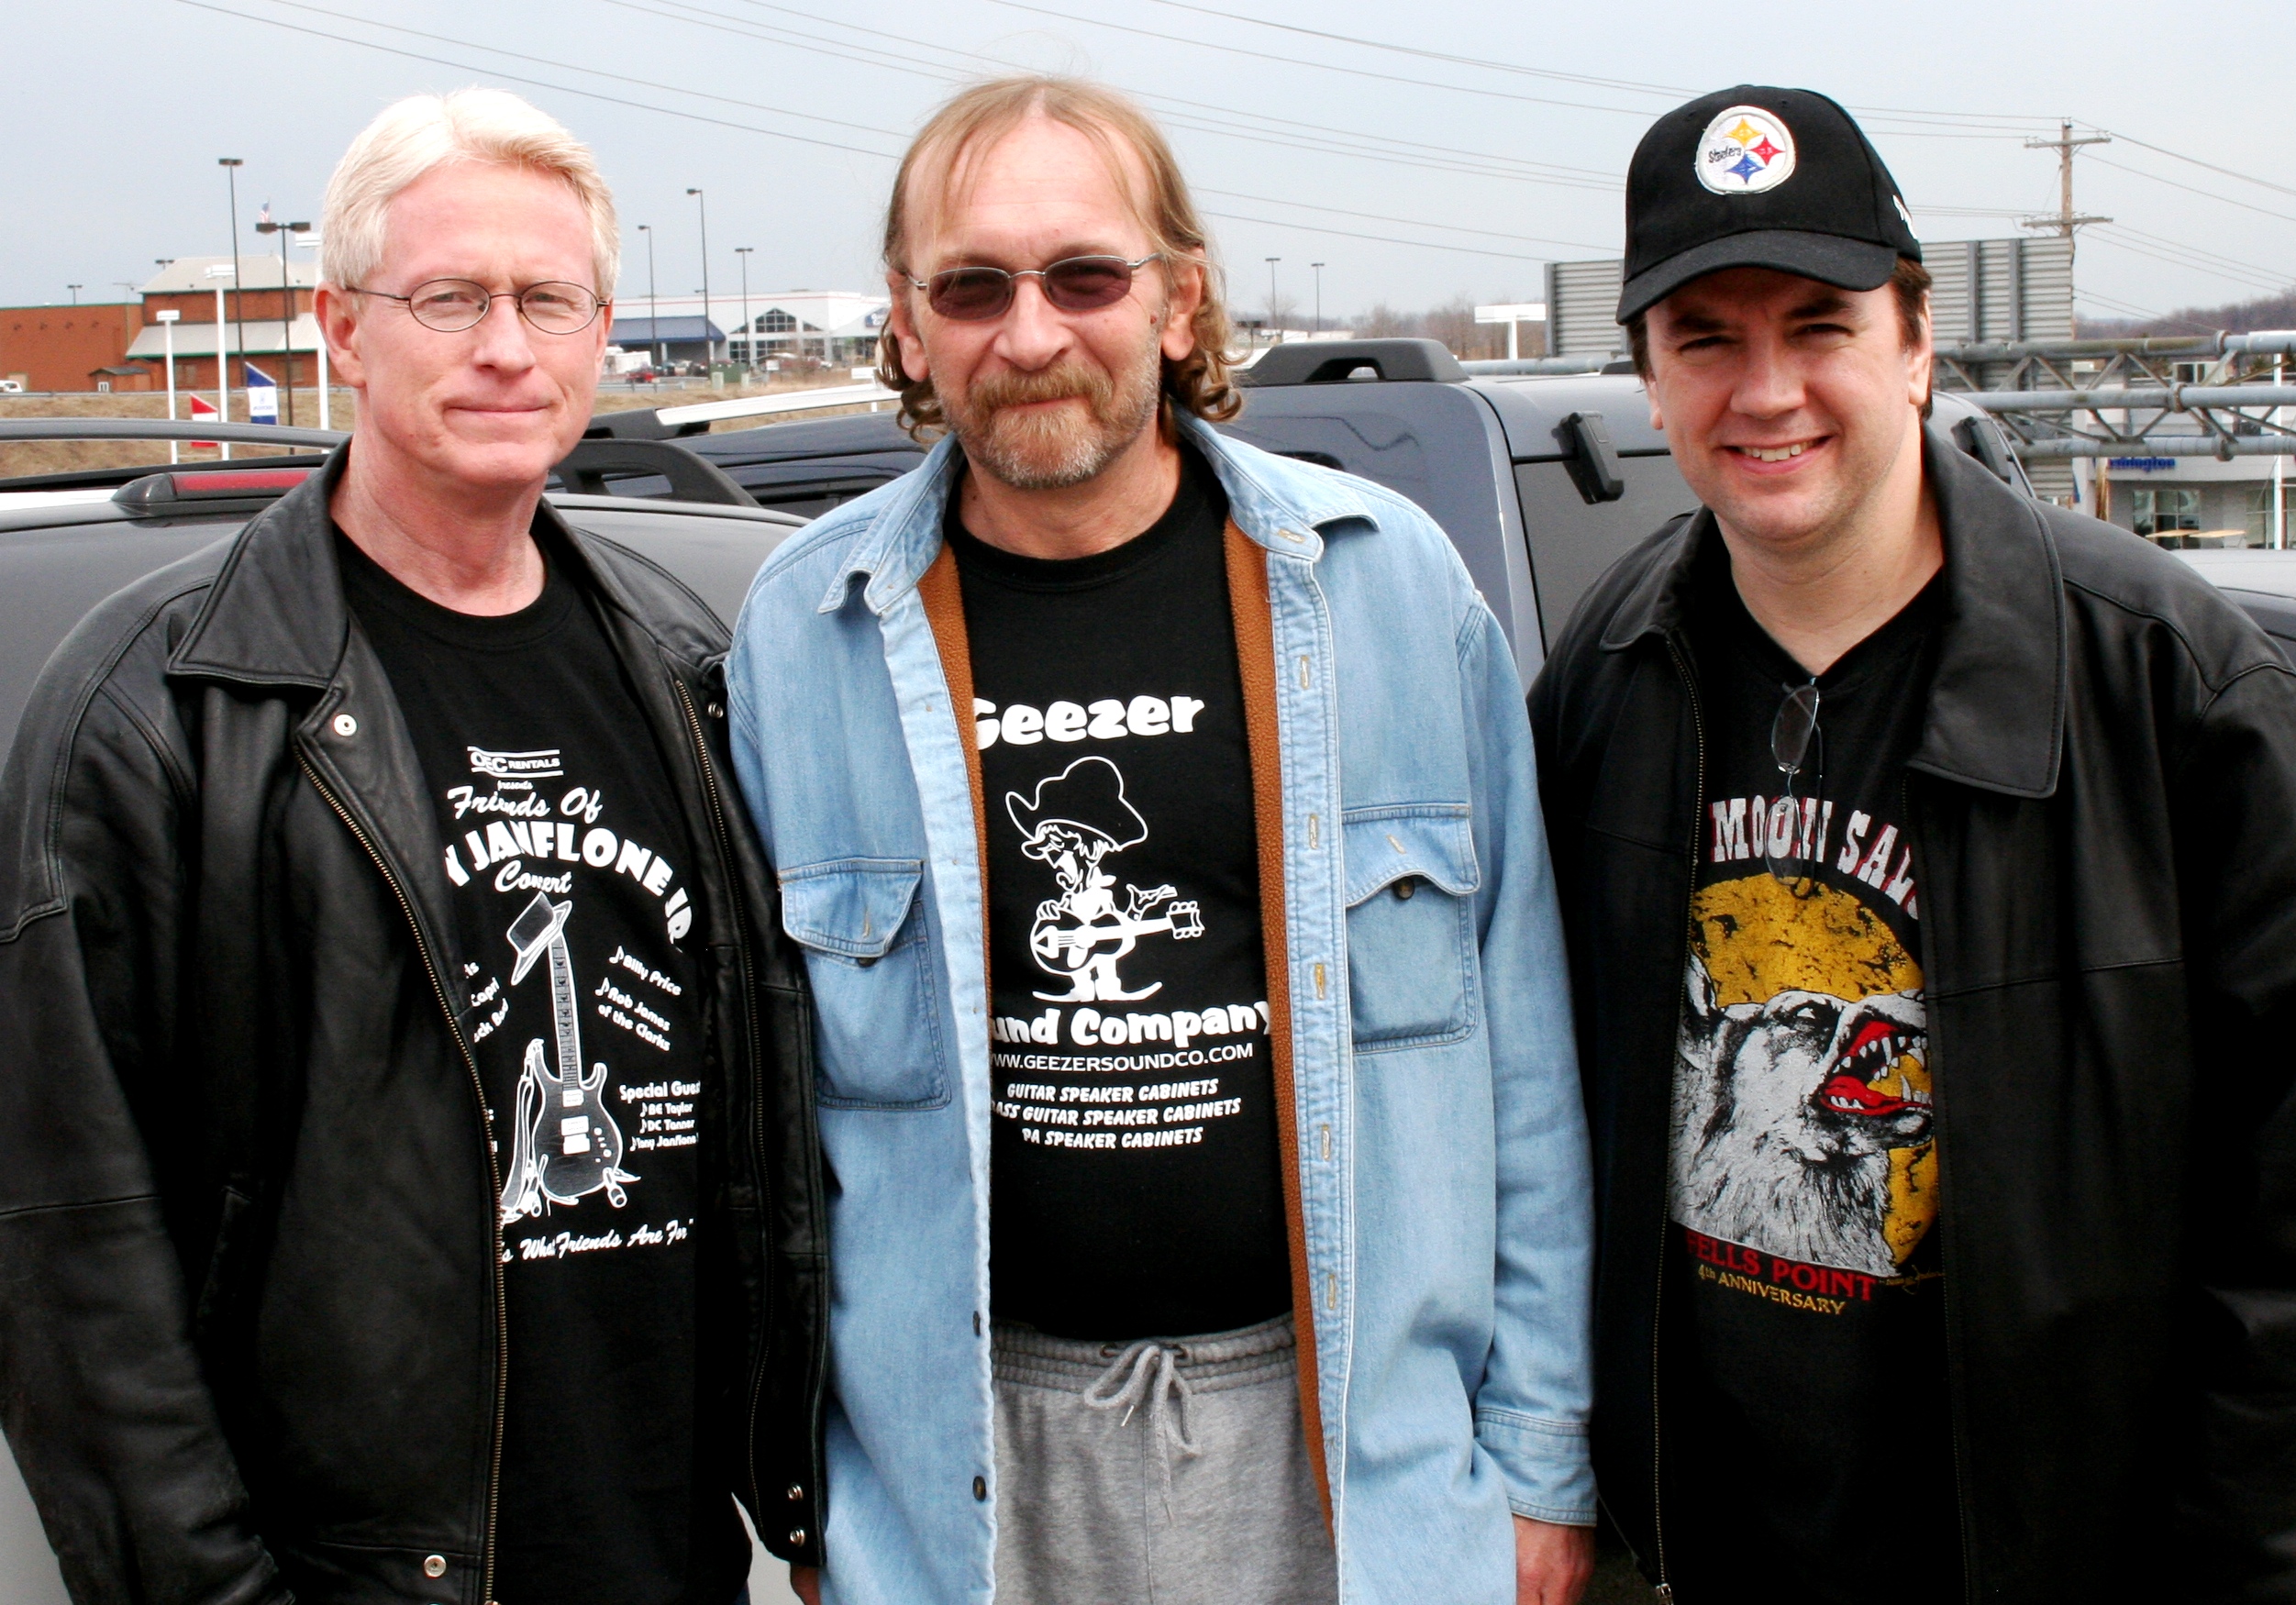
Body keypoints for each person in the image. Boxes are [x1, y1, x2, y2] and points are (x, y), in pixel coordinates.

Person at [727, 75, 1595, 1605]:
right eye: (973, 287)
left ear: (1181, 300)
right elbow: (767, 1126)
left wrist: (1538, 1457)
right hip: (956, 1478)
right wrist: (815, 1494)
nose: (1030, 334)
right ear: (909, 324)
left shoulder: (1389, 591)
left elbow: (1522, 1058)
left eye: (1084, 276)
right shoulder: (805, 636)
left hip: (1350, 1461)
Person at [0, 89, 826, 1605]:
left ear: (601, 333)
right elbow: (73, 1249)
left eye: (546, 299)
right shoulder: (156, 708)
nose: (505, 345)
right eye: (448, 298)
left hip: (671, 1549)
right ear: (342, 327)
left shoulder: (686, 662)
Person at [1529, 83, 2296, 1603]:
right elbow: (1537, 1111)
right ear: (1649, 378)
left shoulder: (2169, 686)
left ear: (1916, 344)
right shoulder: (1611, 671)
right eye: (1705, 339)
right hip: (1707, 1556)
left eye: (1820, 327)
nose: (1766, 390)